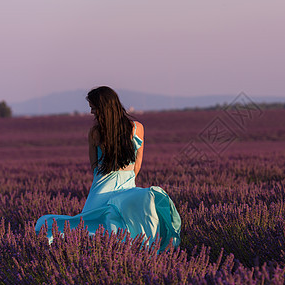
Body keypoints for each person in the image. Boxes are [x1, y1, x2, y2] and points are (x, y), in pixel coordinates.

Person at [35, 86, 181, 251]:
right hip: (127, 185)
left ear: (103, 108)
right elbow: (138, 163)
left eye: (93, 108)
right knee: (125, 227)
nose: (92, 112)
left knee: (86, 227)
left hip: (102, 184)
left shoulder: (95, 133)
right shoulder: (137, 128)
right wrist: (126, 179)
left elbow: (95, 166)